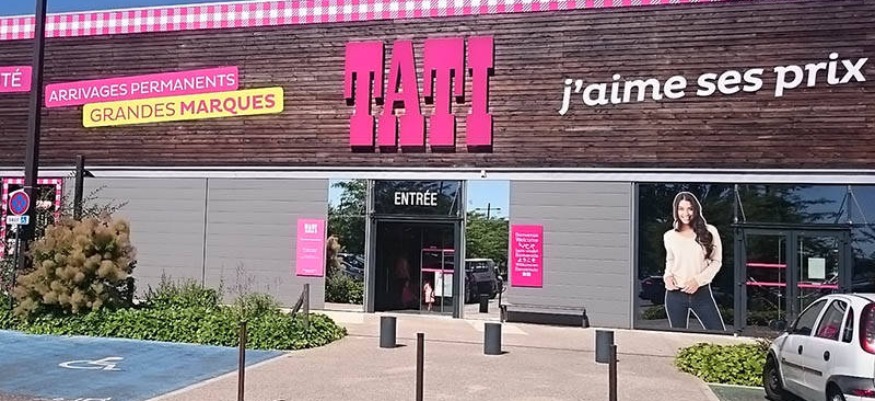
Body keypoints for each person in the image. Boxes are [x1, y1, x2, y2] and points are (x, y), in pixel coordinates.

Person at [662, 191, 726, 331]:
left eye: (690, 208)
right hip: (675, 295)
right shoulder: (669, 236)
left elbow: (716, 261)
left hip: (701, 293)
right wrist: (667, 277)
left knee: (718, 334)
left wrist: (698, 281)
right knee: (678, 338)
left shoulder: (709, 231)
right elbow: (670, 260)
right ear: (676, 211)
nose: (686, 213)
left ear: (696, 209)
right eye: (681, 209)